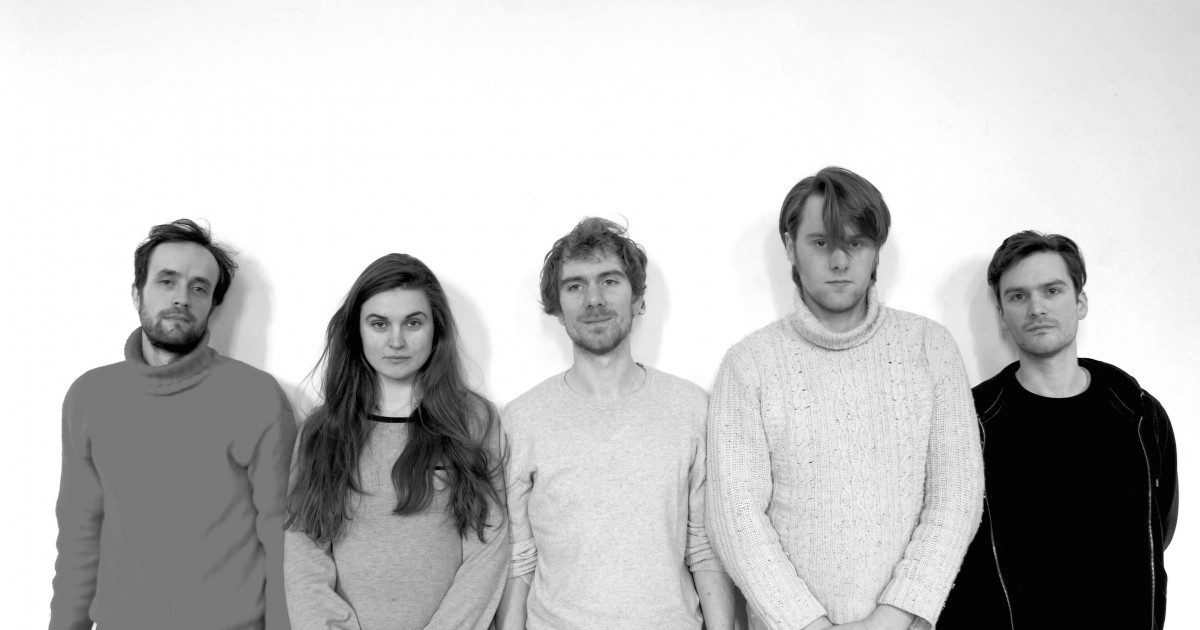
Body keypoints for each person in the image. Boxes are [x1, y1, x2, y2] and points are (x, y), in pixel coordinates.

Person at [706, 167, 985, 630]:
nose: (839, 260)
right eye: (820, 242)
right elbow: (735, 517)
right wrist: (808, 624)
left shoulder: (929, 348)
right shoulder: (748, 364)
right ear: (790, 246)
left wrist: (891, 618)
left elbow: (957, 497)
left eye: (855, 242)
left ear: (876, 251)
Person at [51, 219, 296, 630]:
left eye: (199, 288)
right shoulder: (90, 397)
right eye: (167, 281)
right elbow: (79, 535)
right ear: (137, 292)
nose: (182, 297)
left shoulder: (255, 397)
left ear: (213, 305)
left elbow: (283, 540)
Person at [496, 218, 735, 630]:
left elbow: (705, 548)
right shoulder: (522, 421)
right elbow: (518, 559)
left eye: (609, 281)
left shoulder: (690, 409)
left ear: (638, 298)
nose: (594, 300)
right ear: (557, 308)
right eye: (575, 286)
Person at [939, 231, 1178, 629]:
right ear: (1002, 314)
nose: (1036, 308)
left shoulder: (1137, 413)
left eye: (1052, 291)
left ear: (1080, 302)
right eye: (1018, 296)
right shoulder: (969, 423)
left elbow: (1159, 528)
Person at [284, 253, 508, 630]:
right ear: (356, 331)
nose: (397, 341)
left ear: (436, 329)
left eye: (413, 322)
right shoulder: (321, 431)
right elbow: (304, 555)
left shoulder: (472, 421)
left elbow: (487, 548)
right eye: (379, 324)